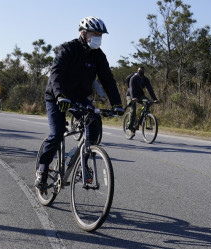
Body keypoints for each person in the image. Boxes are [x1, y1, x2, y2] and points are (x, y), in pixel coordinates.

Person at [34, 16, 124, 193]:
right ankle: (42, 170)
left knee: (94, 121)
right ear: (84, 33)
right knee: (58, 132)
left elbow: (108, 80)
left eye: (100, 35)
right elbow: (56, 73)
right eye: (95, 33)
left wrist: (117, 104)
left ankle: (84, 157)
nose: (98, 37)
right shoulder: (68, 49)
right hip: (57, 97)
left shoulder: (99, 56)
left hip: (80, 97)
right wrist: (60, 95)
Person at [126, 66, 159, 136]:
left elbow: (150, 89)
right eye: (139, 71)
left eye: (142, 71)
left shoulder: (145, 80)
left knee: (148, 102)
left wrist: (155, 99)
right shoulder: (133, 78)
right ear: (137, 71)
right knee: (133, 110)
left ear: (144, 72)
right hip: (130, 95)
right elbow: (131, 88)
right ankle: (130, 128)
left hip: (140, 95)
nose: (140, 72)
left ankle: (141, 121)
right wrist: (132, 97)